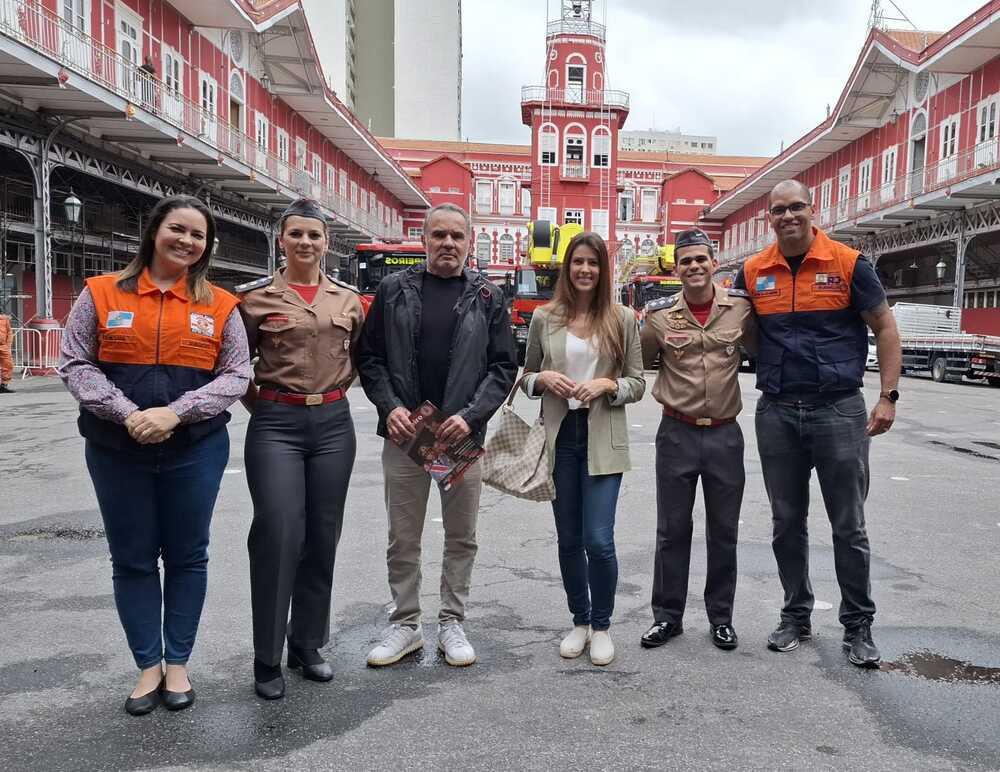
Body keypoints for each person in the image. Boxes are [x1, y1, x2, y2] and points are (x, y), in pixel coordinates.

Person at [58, 194, 250, 714]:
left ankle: (179, 661)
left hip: (196, 448)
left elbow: (236, 373)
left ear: (206, 246)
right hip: (117, 449)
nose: (187, 241)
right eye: (178, 229)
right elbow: (76, 363)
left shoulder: (221, 305)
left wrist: (176, 413)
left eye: (198, 235)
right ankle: (148, 664)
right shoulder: (100, 294)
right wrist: (127, 414)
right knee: (133, 558)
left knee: (188, 555)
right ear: (154, 231)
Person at [734, 179, 902, 668]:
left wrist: (888, 397)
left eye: (796, 207)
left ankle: (858, 626)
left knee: (849, 525)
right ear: (770, 217)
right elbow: (739, 331)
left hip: (839, 410)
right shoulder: (752, 270)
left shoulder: (848, 264)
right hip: (778, 411)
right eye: (778, 210)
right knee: (786, 523)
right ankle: (795, 616)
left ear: (813, 210)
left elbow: (885, 327)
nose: (788, 216)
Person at [358, 202, 517, 668]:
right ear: (424, 240)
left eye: (457, 236)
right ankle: (406, 623)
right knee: (403, 536)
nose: (448, 244)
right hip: (407, 433)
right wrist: (390, 409)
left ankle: (452, 621)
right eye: (439, 235)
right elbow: (370, 358)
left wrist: (470, 416)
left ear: (469, 243)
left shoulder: (488, 296)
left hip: (456, 435)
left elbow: (503, 366)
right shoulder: (393, 291)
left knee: (461, 534)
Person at [238, 198, 364, 700]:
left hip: (333, 424)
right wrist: (266, 406)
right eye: (297, 235)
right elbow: (233, 365)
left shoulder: (348, 301)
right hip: (276, 423)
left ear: (326, 243)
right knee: (278, 532)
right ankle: (267, 657)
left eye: (315, 235)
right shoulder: (255, 300)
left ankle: (307, 644)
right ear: (281, 239)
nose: (306, 243)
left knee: (322, 536)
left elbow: (359, 361)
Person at [521, 231, 645, 666]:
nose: (585, 269)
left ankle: (603, 625)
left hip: (601, 436)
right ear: (567, 268)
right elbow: (526, 375)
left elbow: (638, 382)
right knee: (569, 539)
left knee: (599, 540)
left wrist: (610, 384)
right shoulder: (544, 317)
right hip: (560, 436)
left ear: (603, 268)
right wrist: (543, 380)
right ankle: (580, 621)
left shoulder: (622, 318)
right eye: (578, 262)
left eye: (593, 262)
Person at [638, 228, 756, 652]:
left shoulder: (740, 309)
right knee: (672, 530)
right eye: (685, 260)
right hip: (676, 433)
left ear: (713, 261)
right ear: (676, 267)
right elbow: (641, 359)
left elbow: (760, 349)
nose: (693, 267)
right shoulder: (659, 316)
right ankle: (667, 617)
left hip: (725, 435)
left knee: (723, 530)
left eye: (700, 259)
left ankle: (721, 618)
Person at [0, 312, 13, 393]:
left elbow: (9, 332)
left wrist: (8, 345)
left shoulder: (5, 320)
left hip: (3, 346)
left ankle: (4, 385)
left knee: (8, 365)